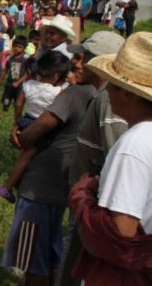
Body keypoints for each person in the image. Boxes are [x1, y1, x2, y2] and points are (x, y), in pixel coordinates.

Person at [3, 48, 97, 285]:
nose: (76, 64)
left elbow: (40, 126)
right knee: (52, 255)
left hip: (39, 189)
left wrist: (21, 135)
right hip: (63, 187)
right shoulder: (97, 96)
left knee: (32, 258)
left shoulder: (73, 93)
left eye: (82, 58)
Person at [68, 32, 152, 285]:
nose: (108, 93)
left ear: (129, 94)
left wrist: (84, 198)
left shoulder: (133, 146)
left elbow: (121, 234)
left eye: (114, 86)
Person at [55, 31, 126, 286]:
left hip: (95, 206)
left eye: (84, 57)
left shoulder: (109, 99)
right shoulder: (102, 95)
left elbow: (115, 156)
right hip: (89, 203)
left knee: (77, 270)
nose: (77, 63)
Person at [0, 51, 71, 203]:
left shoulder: (29, 85)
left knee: (25, 156)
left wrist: (18, 121)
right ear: (57, 76)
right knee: (25, 158)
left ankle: (15, 182)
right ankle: (7, 187)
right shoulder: (58, 91)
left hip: (26, 121)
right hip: (41, 127)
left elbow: (18, 104)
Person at [0, 35, 28, 112]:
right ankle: (4, 111)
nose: (17, 48)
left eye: (19, 47)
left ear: (24, 48)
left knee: (17, 102)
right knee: (6, 99)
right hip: (10, 83)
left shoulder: (25, 59)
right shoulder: (11, 58)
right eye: (15, 46)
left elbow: (28, 73)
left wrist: (18, 82)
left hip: (20, 85)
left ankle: (17, 113)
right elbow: (5, 70)